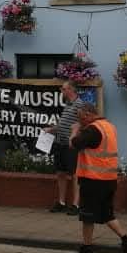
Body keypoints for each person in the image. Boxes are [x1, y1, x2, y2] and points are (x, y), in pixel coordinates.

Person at [67, 102, 127, 253]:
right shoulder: (109, 126)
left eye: (81, 118)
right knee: (107, 214)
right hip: (108, 179)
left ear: (88, 114)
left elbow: (73, 144)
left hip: (93, 180)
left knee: (87, 216)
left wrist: (74, 130)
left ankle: (87, 250)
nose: (81, 121)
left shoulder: (92, 129)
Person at [43, 80, 84, 214]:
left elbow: (82, 124)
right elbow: (63, 125)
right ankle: (61, 202)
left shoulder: (79, 105)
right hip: (60, 143)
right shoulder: (67, 104)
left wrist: (74, 137)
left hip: (71, 145)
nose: (61, 91)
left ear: (71, 90)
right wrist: (51, 129)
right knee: (60, 172)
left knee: (74, 174)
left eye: (63, 89)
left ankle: (76, 204)